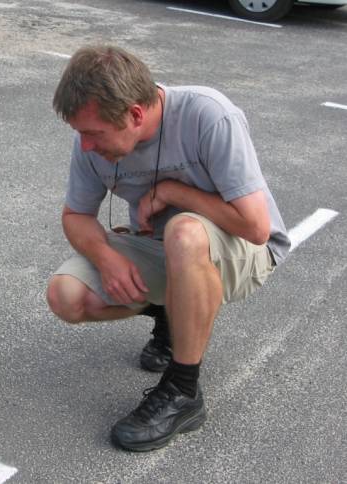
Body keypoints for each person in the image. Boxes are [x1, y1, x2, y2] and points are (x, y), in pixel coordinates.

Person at [46, 45, 290, 452]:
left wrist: (174, 191)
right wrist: (107, 261)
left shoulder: (208, 116)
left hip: (245, 253)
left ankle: (183, 390)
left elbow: (256, 227)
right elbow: (76, 215)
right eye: (80, 133)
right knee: (66, 296)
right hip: (164, 248)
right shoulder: (89, 144)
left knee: (184, 232)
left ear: (135, 115)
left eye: (93, 134)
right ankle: (168, 312)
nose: (86, 146)